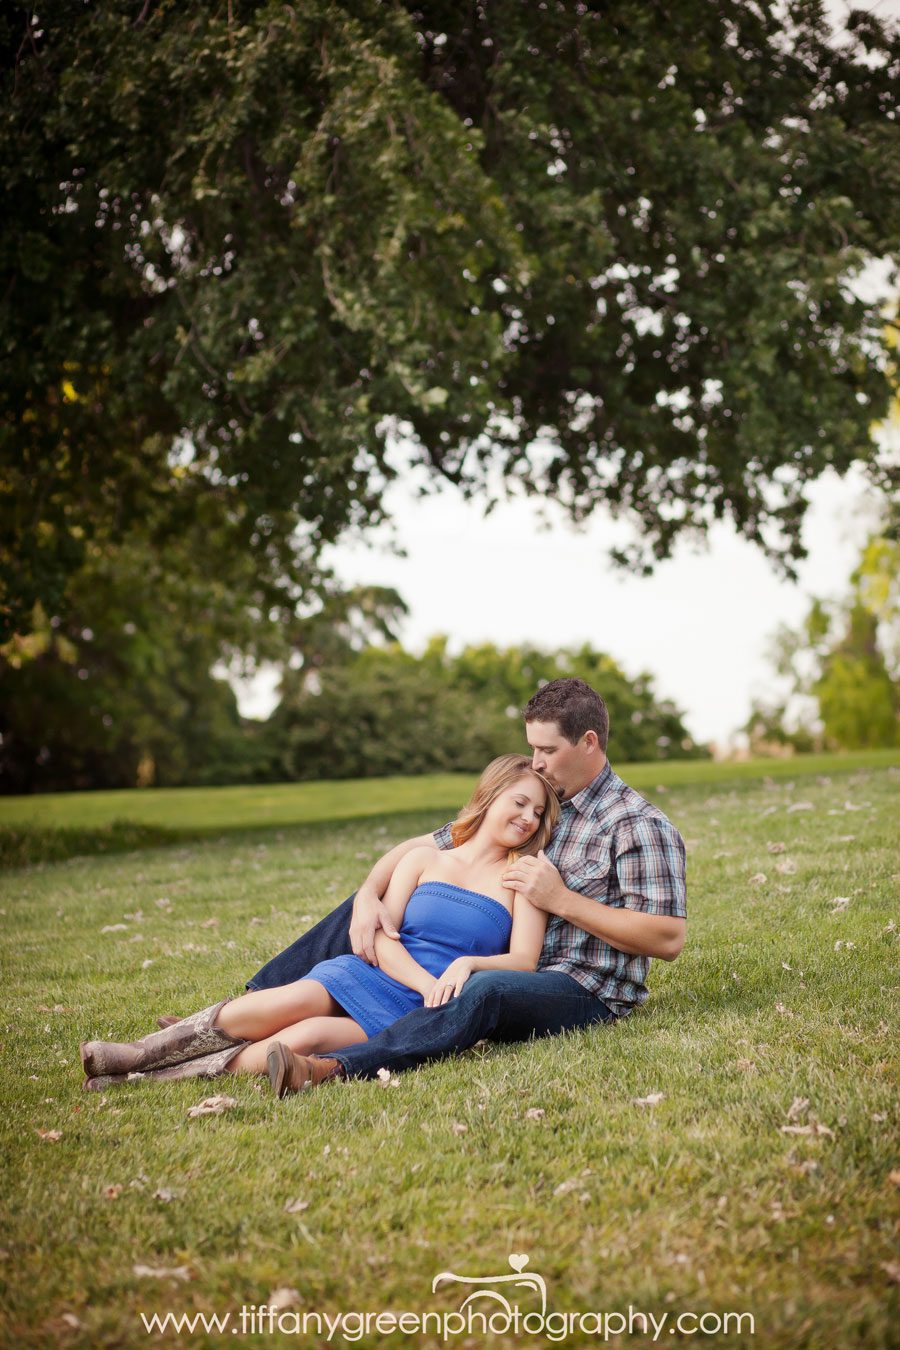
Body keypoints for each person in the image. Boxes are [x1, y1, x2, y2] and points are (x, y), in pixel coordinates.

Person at [244, 677, 688, 1094]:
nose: (536, 761)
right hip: (514, 966)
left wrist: (561, 900)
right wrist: (367, 893)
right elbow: (423, 846)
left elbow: (667, 938)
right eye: (532, 748)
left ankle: (332, 1067)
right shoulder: (540, 800)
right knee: (371, 908)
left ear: (589, 742)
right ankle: (251, 1009)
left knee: (483, 990)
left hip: (582, 987)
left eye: (547, 750)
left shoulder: (635, 824)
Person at [79, 756, 559, 1094]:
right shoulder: (424, 859)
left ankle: (152, 1077)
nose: (527, 818)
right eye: (519, 802)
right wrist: (424, 981)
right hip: (386, 975)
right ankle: (140, 1054)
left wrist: (466, 966)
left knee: (305, 1038)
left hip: (426, 1011)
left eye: (537, 813)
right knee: (293, 1000)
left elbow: (524, 961)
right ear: (490, 794)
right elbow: (382, 938)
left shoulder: (525, 877)